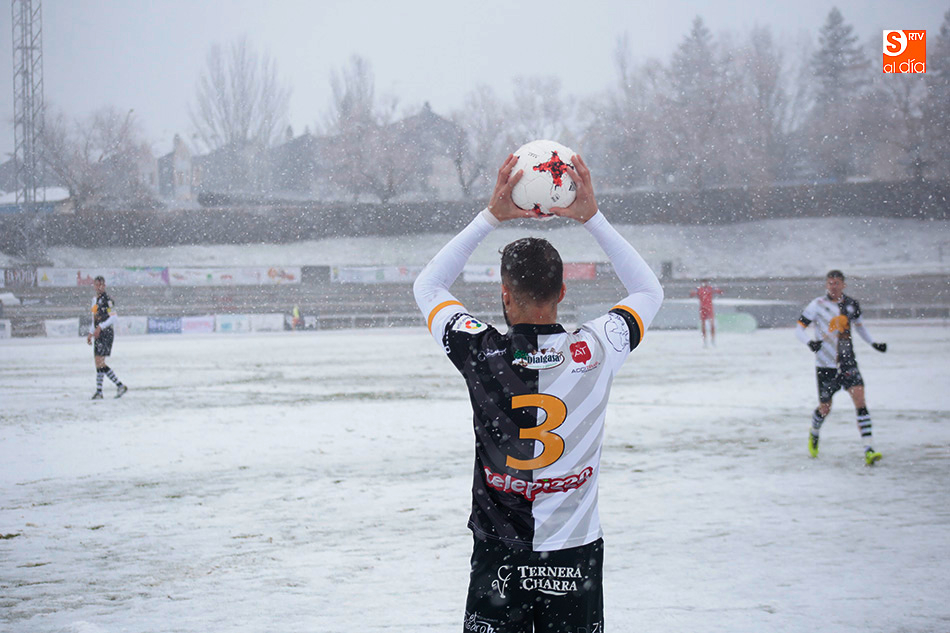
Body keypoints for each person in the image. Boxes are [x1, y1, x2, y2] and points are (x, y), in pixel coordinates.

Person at [413, 154, 663, 632]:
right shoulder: (598, 347)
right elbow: (649, 292)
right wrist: (592, 217)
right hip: (573, 551)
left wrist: (490, 216)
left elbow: (429, 285)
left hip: (500, 552)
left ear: (505, 294)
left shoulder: (480, 351)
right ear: (562, 292)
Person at [796, 270, 886, 465]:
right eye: (830, 283)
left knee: (860, 401)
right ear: (826, 285)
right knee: (825, 408)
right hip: (825, 365)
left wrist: (873, 343)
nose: (833, 287)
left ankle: (869, 449)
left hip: (847, 362)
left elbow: (860, 327)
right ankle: (814, 431)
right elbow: (799, 329)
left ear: (843, 284)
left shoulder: (851, 304)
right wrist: (810, 343)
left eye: (836, 283)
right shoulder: (817, 305)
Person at [87, 275, 127, 399]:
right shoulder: (95, 300)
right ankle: (101, 391)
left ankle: (118, 386)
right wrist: (91, 332)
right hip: (98, 334)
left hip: (106, 334)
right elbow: (94, 319)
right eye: (96, 284)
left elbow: (114, 317)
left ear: (104, 286)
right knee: (98, 363)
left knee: (100, 362)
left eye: (100, 285)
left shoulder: (108, 300)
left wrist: (101, 327)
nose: (98, 287)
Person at [690, 279, 722, 347]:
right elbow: (692, 294)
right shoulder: (699, 289)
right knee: (703, 325)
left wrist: (718, 290)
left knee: (711, 324)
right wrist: (693, 292)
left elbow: (720, 291)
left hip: (709, 308)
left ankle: (713, 339)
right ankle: (705, 341)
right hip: (702, 308)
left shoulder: (710, 288)